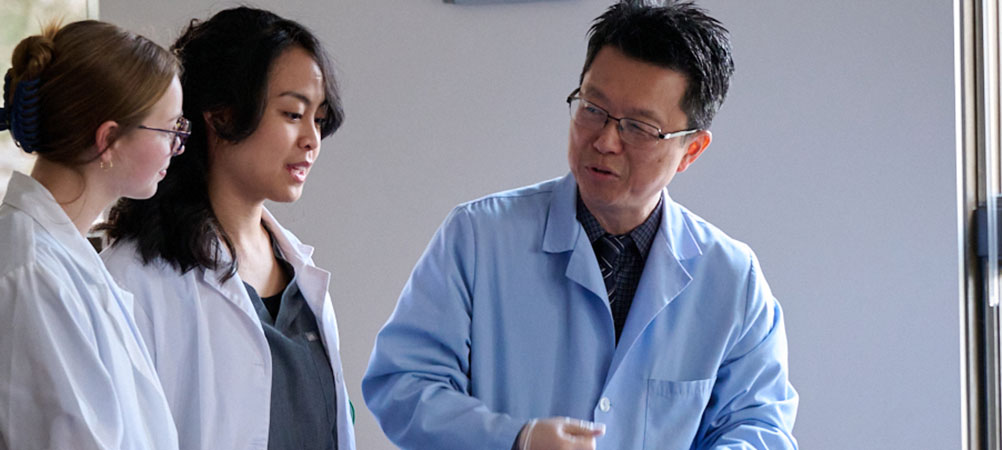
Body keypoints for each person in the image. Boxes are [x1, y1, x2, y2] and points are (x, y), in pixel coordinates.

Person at [361, 1, 797, 449]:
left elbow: (759, 428)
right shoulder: (478, 238)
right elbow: (403, 385)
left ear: (691, 150)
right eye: (592, 108)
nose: (605, 141)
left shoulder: (732, 279)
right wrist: (515, 440)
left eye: (638, 127)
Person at [98, 7, 354, 450]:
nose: (312, 139)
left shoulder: (301, 275)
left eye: (319, 118)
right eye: (293, 114)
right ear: (219, 115)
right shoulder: (133, 280)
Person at [0, 19, 187, 450]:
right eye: (169, 130)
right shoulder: (31, 276)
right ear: (108, 140)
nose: (176, 147)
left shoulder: (55, 255)